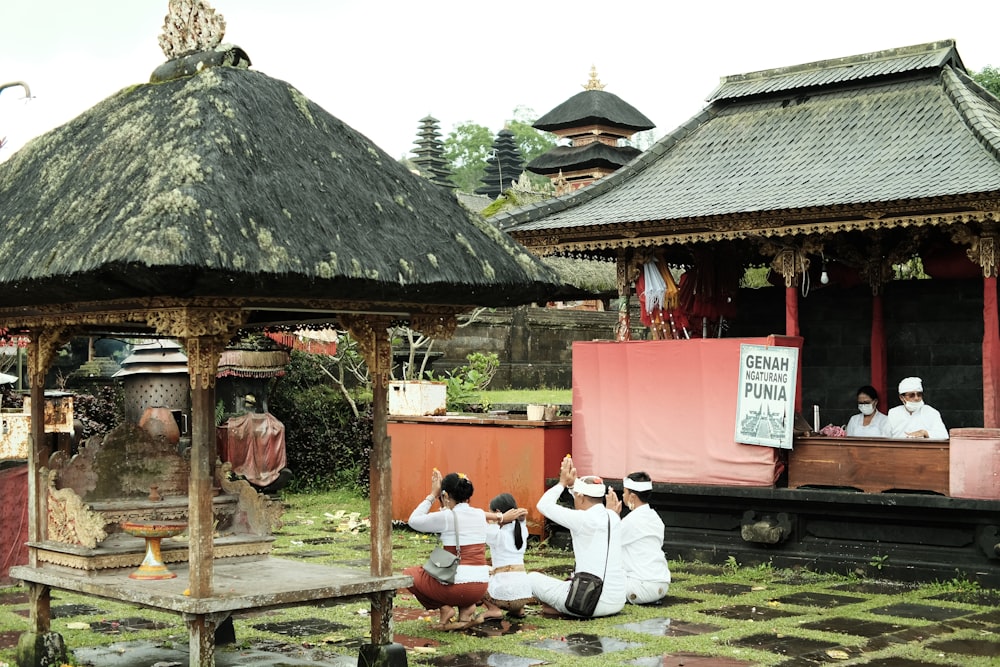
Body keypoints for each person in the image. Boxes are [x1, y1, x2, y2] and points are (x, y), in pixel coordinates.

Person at [527, 455, 625, 618]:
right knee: (566, 583)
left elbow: (543, 505)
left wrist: (562, 484)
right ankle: (556, 606)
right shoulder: (613, 517)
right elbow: (586, 500)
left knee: (531, 579)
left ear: (580, 497)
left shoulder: (582, 519)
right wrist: (573, 487)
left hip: (588, 604)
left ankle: (558, 606)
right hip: (617, 601)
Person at [403, 469, 489, 630]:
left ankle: (445, 608)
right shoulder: (479, 514)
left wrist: (432, 495)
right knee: (455, 576)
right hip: (481, 588)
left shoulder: (447, 517)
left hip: (459, 588)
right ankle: (466, 609)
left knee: (410, 574)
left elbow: (413, 521)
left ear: (446, 496)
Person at [606, 471, 671, 604]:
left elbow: (607, 542)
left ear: (632, 497)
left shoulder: (631, 521)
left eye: (625, 492)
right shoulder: (656, 518)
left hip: (640, 588)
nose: (623, 495)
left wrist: (610, 514)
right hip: (662, 585)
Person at [479, 492, 532, 620]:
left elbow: (479, 519)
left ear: (497, 512)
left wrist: (499, 518)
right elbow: (521, 522)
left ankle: (493, 610)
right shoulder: (522, 531)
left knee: (477, 573)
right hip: (524, 595)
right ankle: (518, 610)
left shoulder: (496, 533)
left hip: (504, 597)